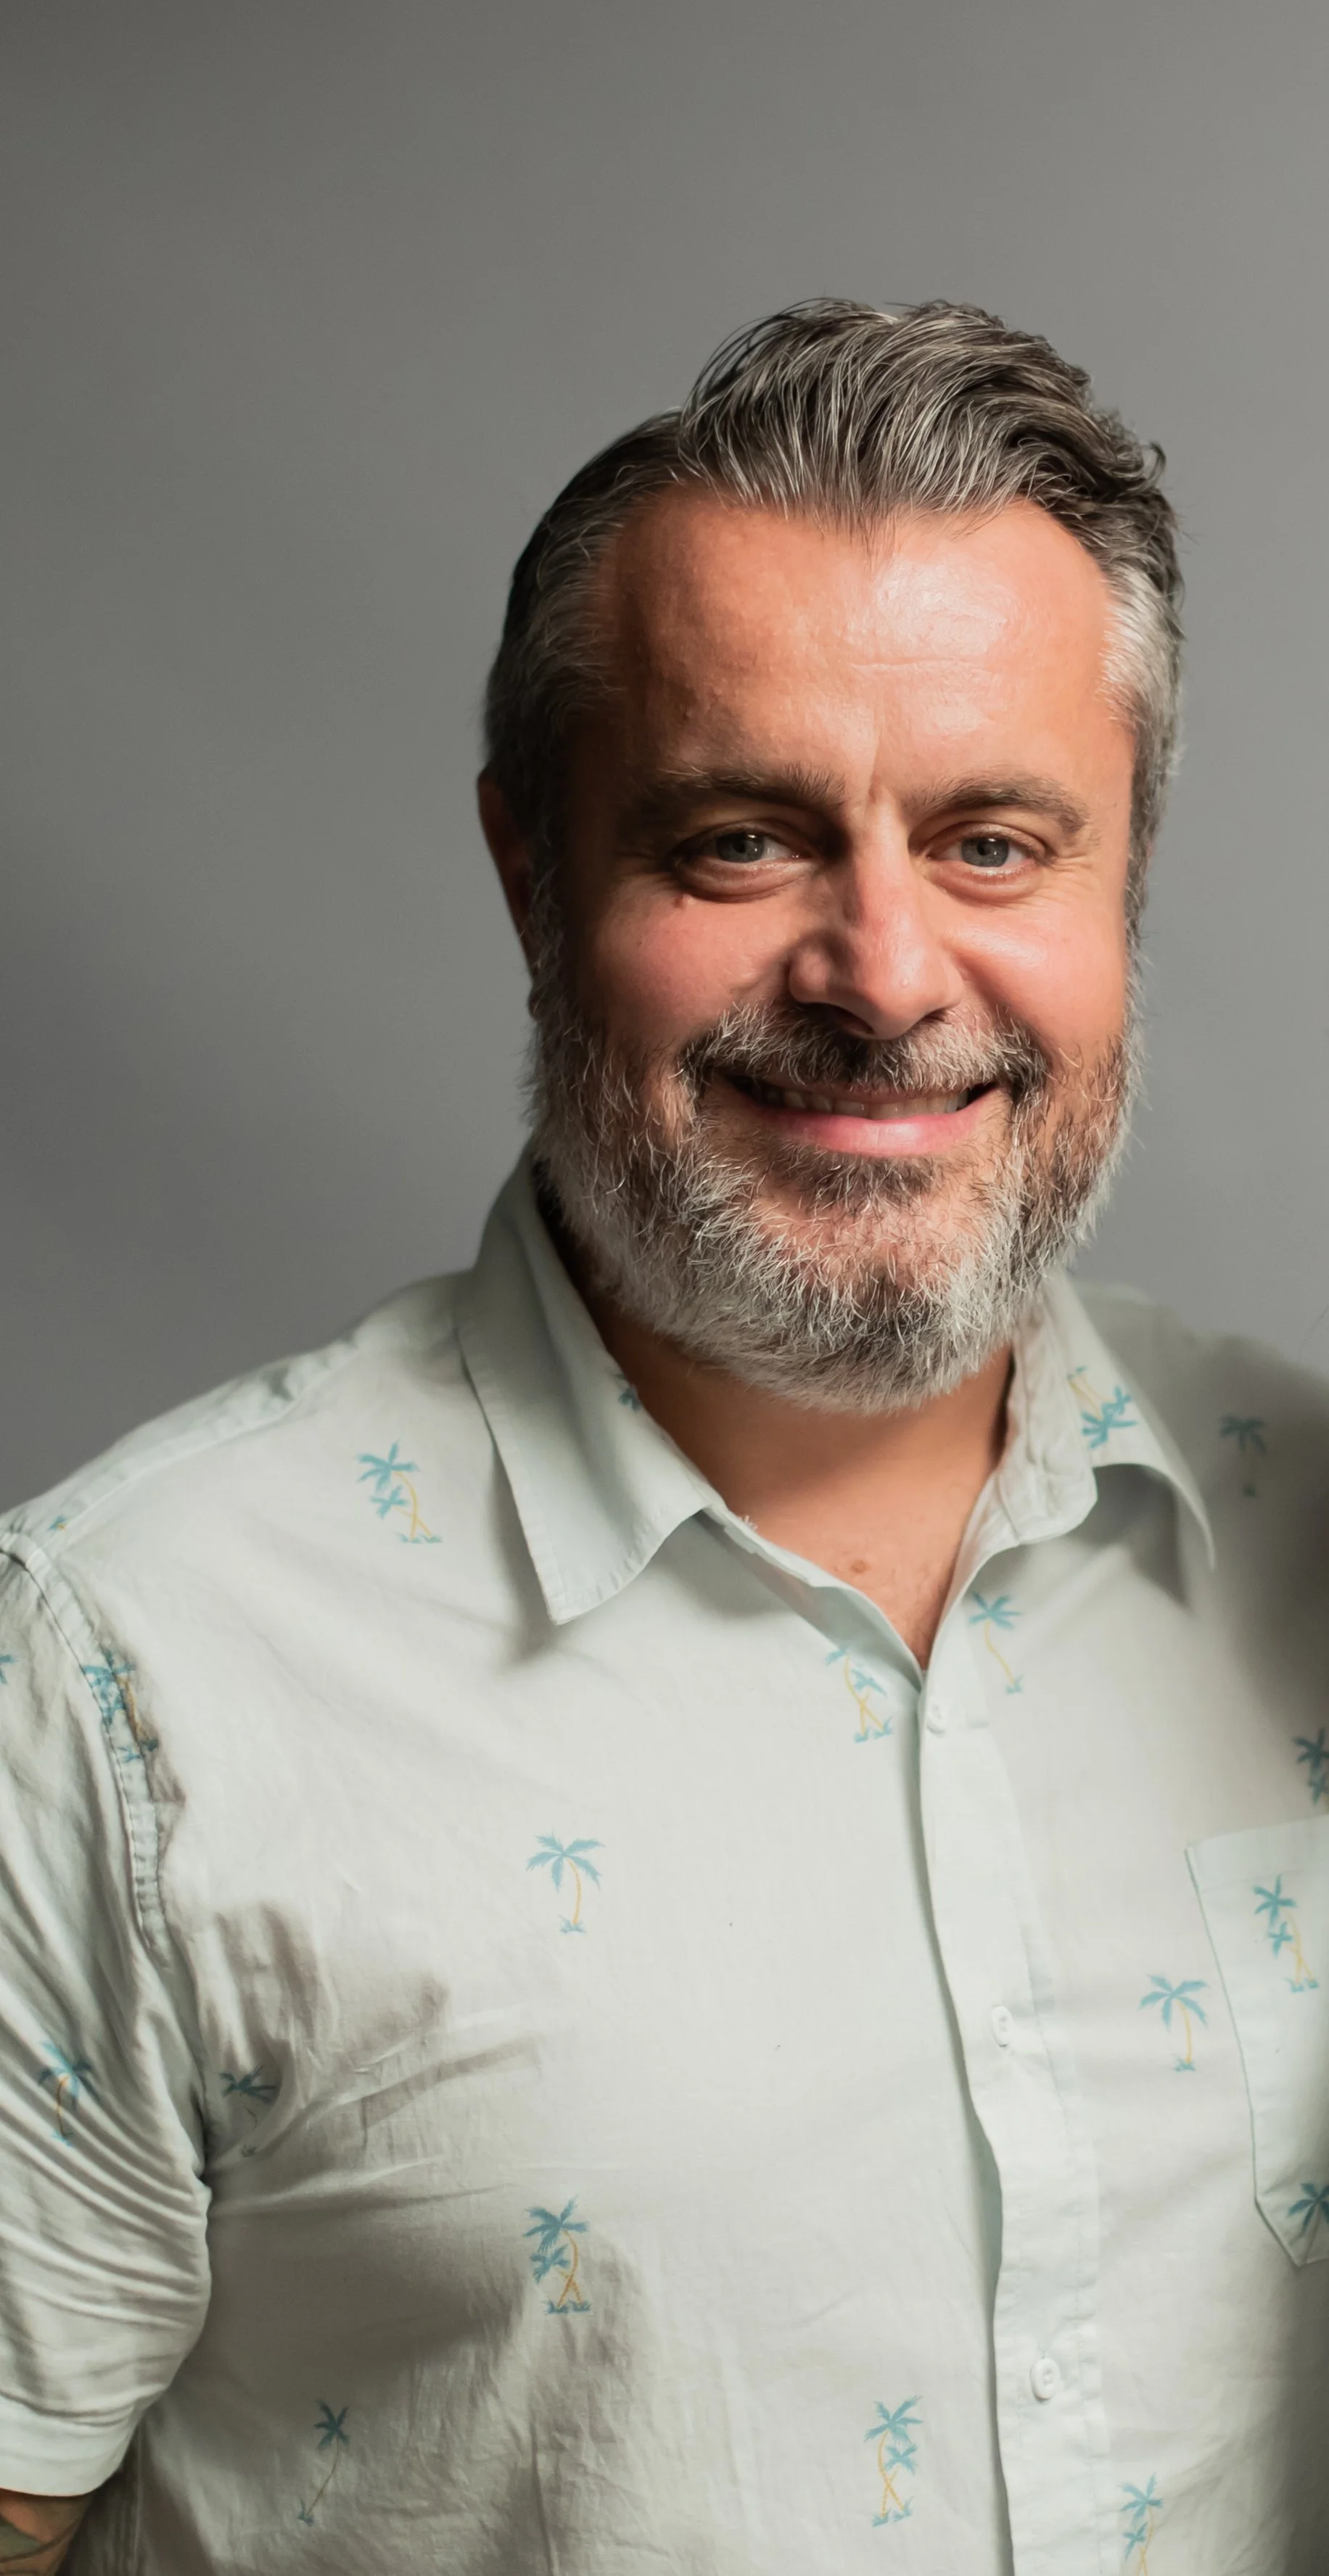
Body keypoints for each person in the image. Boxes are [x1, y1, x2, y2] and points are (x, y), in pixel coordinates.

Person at [1, 299, 1327, 2576]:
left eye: (999, 841)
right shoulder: (123, 1679)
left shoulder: (1314, 1528)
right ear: (532, 872)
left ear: (1129, 882)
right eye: (742, 840)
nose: (887, 970)